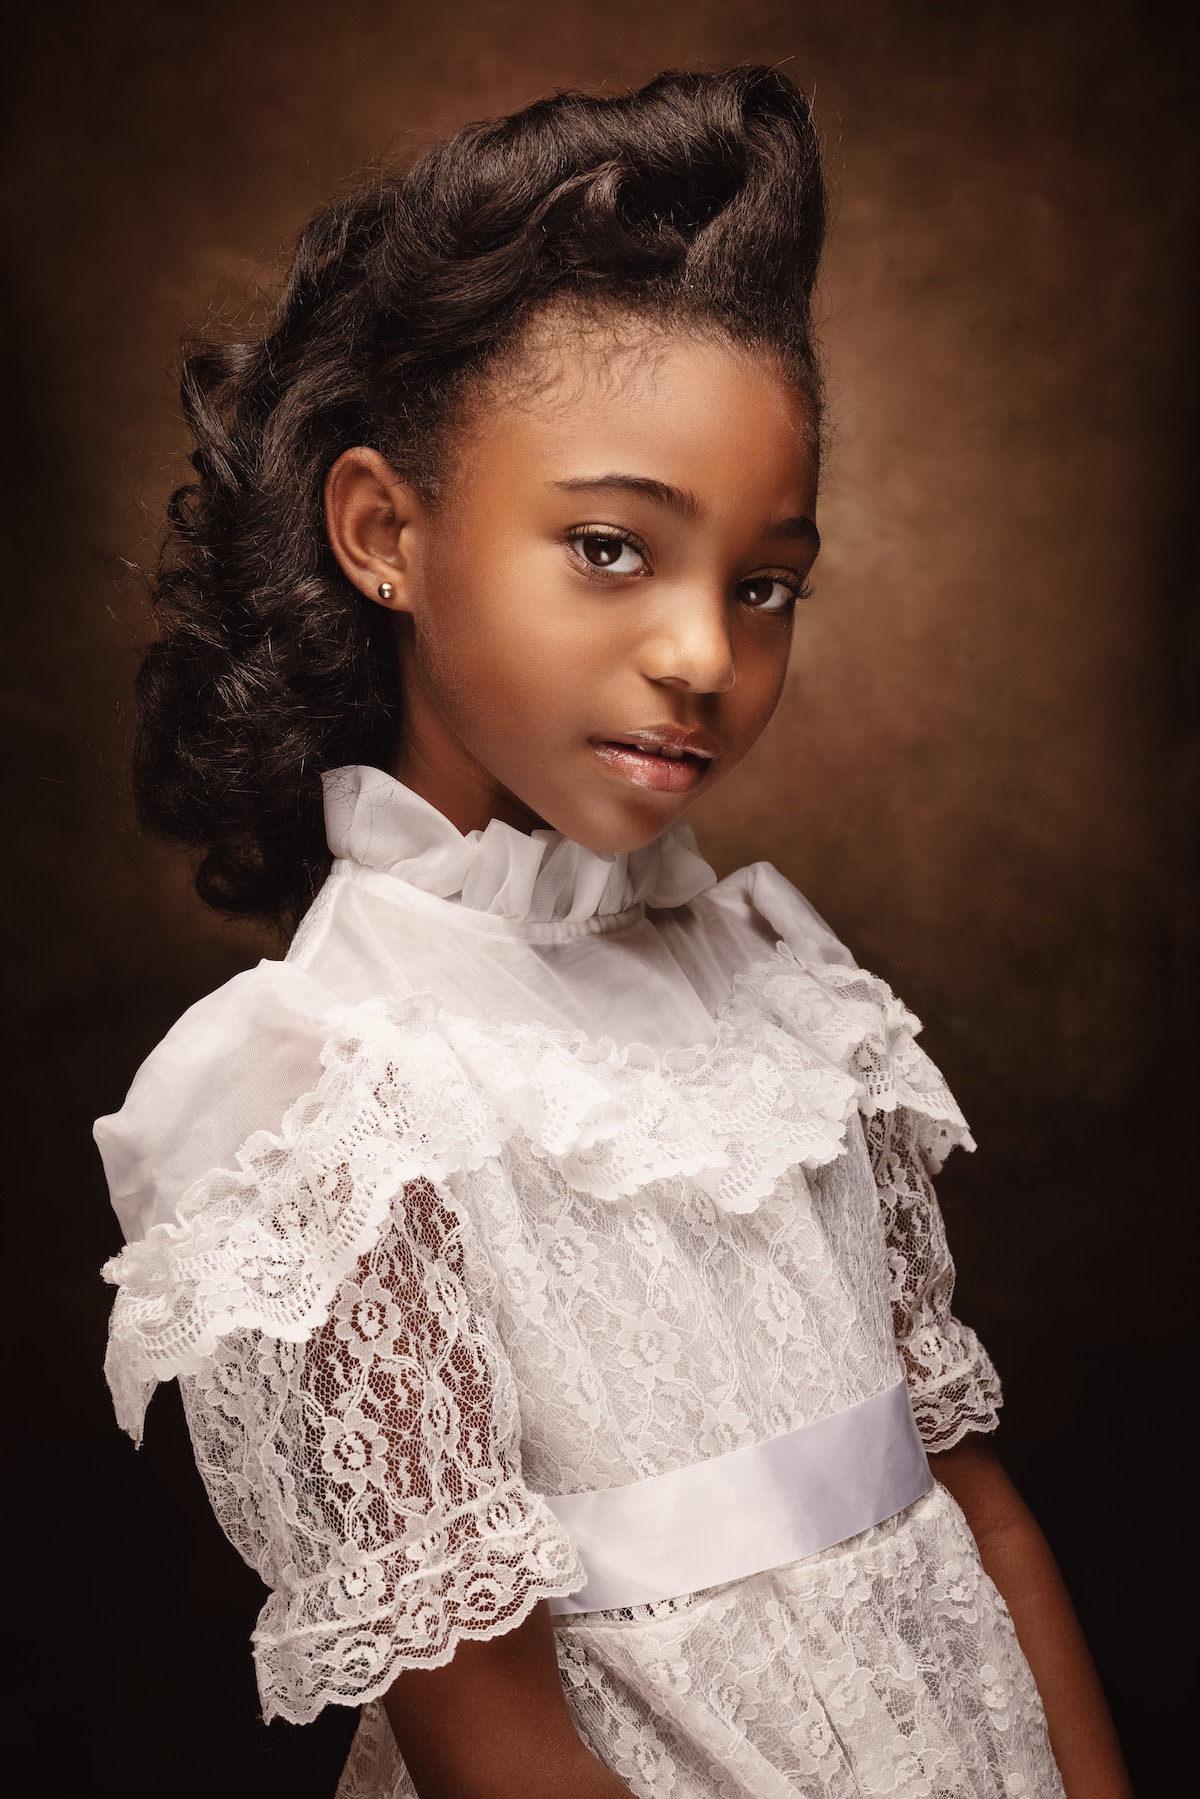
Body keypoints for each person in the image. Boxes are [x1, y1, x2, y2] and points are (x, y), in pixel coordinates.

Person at [96, 67, 1131, 1799]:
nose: (706, 655)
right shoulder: (334, 1095)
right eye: (607, 548)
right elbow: (490, 1733)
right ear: (385, 536)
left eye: (764, 580)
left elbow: (976, 1503)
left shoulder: (787, 1005)